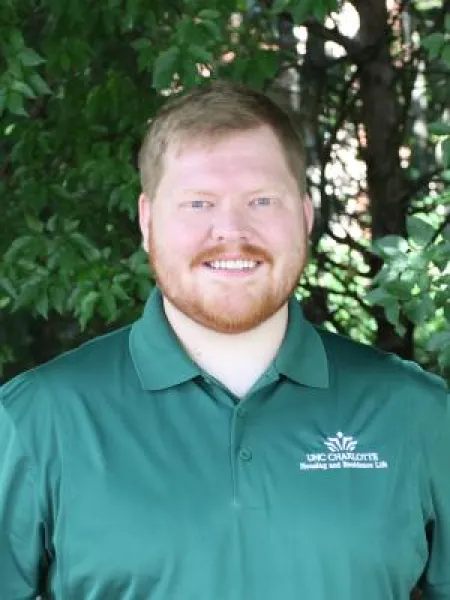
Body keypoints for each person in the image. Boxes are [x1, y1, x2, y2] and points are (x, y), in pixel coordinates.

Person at [0, 81, 449, 600]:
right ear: (148, 222)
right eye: (197, 203)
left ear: (304, 216)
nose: (231, 231)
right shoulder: (35, 420)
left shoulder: (417, 414)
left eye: (261, 200)